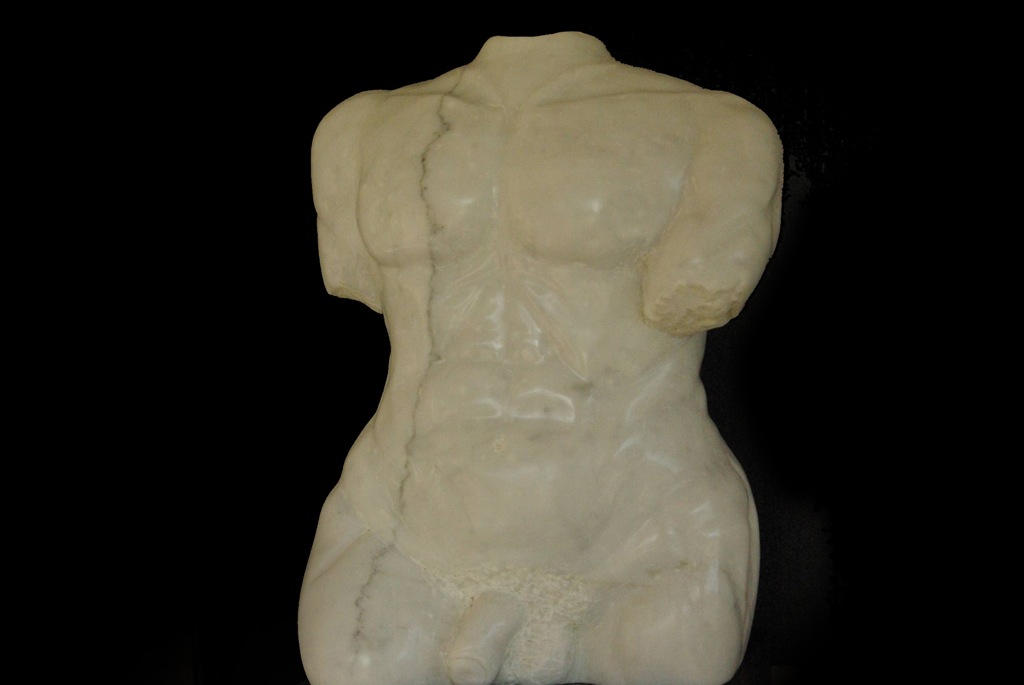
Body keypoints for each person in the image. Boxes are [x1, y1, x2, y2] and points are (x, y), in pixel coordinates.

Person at [299, 31, 782, 685]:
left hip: (636, 528)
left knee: (668, 663)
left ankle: (566, 623)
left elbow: (695, 294)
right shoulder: (352, 132)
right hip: (407, 525)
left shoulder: (721, 131)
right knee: (355, 667)